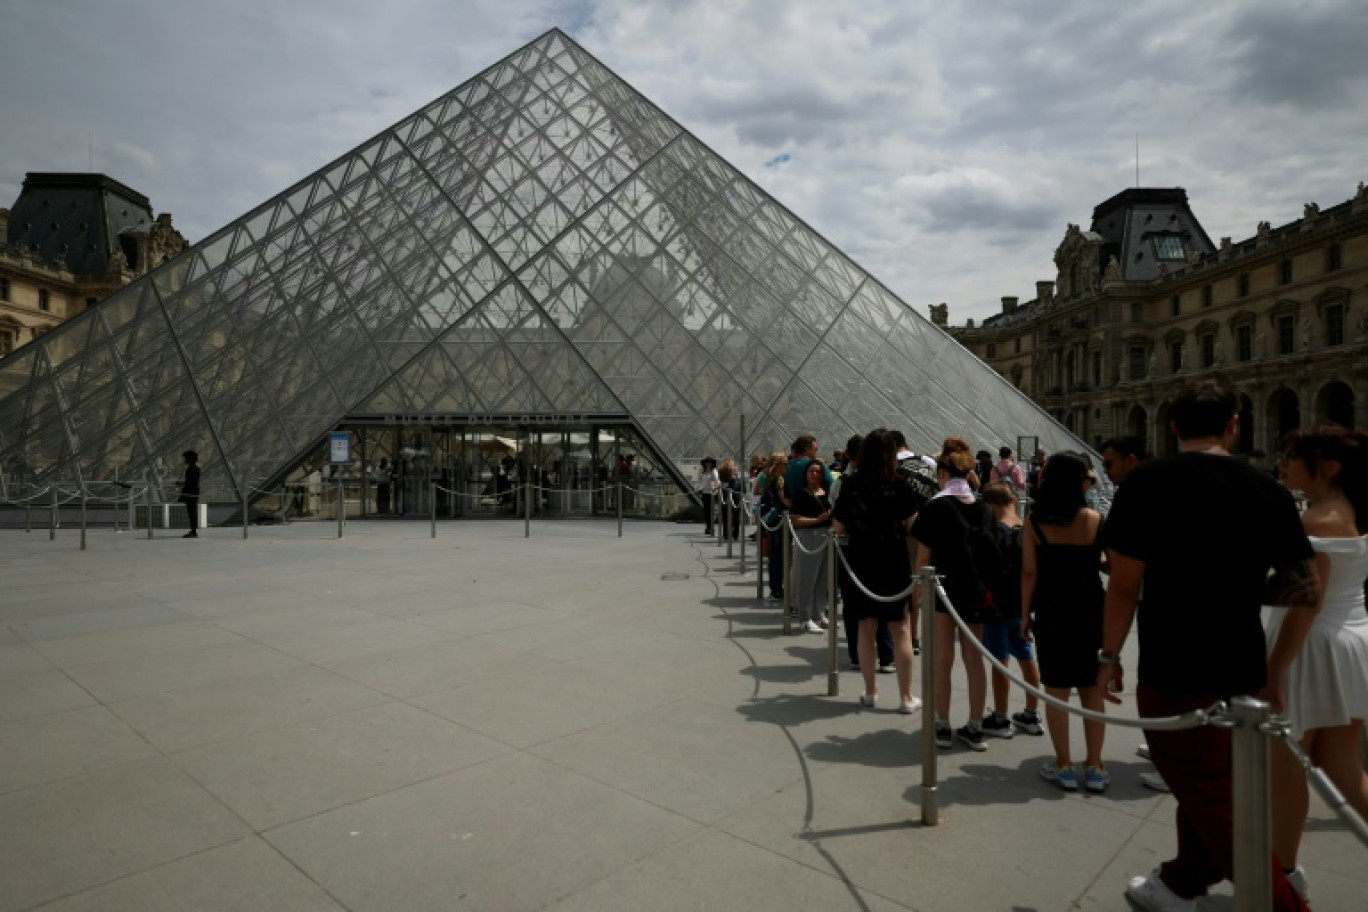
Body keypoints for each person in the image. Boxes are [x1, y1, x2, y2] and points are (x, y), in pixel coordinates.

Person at [1097, 381, 1319, 912]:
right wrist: (1268, 648)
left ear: (1172, 427)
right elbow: (1305, 588)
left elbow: (1124, 583)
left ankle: (1284, 904)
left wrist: (1108, 657)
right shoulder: (1268, 489)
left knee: (1208, 793)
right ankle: (1180, 882)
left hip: (1172, 660)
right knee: (1210, 782)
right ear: (1234, 426)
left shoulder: (1147, 481)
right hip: (1241, 657)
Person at [1265, 426, 1368, 903]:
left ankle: (1284, 875)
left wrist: (1274, 670)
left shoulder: (1317, 522)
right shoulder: (1349, 511)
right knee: (1345, 769)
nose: (1283, 464)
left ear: (1326, 467)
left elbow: (1306, 603)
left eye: (1292, 456)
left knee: (1288, 770)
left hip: (1311, 646)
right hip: (1350, 637)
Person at [1021, 452, 1108, 792]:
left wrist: (1024, 614)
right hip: (1090, 607)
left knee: (1056, 689)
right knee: (1090, 687)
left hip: (1052, 607)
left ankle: (1064, 765)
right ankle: (1096, 766)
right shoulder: (1096, 520)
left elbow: (1030, 572)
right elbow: (1111, 564)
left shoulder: (1035, 522)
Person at [911, 438, 995, 751]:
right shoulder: (984, 506)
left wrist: (918, 592)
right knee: (974, 659)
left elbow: (922, 559)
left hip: (942, 588)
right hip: (976, 589)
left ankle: (942, 725)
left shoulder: (936, 506)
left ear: (943, 472)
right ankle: (975, 726)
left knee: (941, 658)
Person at [832, 430, 920, 712]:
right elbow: (911, 525)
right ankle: (906, 697)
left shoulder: (850, 485)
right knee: (901, 630)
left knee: (866, 628)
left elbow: (838, 527)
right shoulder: (901, 485)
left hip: (861, 561)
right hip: (893, 560)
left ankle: (870, 691)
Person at [978, 482, 1044, 738]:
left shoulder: (996, 531)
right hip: (1022, 605)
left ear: (991, 506)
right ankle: (1031, 712)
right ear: (1013, 500)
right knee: (1027, 658)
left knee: (1000, 661)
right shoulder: (1026, 527)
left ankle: (1001, 717)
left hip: (997, 605)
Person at [831, 433, 895, 674]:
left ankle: (858, 655)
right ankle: (886, 655)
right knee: (881, 602)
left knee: (853, 606)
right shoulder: (893, 482)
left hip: (851, 549)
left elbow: (837, 522)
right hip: (884, 550)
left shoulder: (843, 484)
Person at [789, 458, 832, 634]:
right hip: (808, 536)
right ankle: (804, 617)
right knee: (807, 578)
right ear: (806, 474)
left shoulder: (827, 491)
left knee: (823, 578)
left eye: (818, 472)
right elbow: (796, 519)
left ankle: (818, 613)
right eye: (811, 471)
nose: (815, 474)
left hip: (826, 535)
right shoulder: (801, 493)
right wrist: (817, 520)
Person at [178, 450, 201, 538]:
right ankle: (193, 530)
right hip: (193, 493)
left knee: (192, 512)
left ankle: (194, 531)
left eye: (185, 458)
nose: (184, 460)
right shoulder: (195, 468)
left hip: (191, 494)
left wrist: (184, 484)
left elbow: (192, 482)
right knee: (192, 512)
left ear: (189, 459)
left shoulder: (191, 469)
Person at [698, 457, 720, 535]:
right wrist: (700, 489)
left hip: (711, 493)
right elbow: (701, 482)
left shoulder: (714, 471)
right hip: (704, 493)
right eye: (706, 463)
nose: (708, 464)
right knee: (706, 511)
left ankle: (711, 527)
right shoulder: (703, 471)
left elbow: (717, 481)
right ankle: (708, 526)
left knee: (711, 511)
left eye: (710, 463)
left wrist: (715, 488)